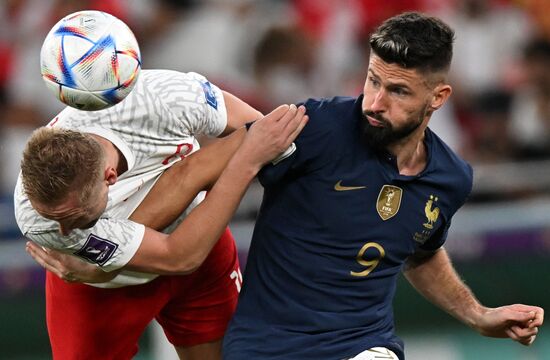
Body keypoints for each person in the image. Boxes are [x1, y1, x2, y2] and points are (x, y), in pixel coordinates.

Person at [221, 12, 544, 360]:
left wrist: (478, 314)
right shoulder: (316, 128)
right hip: (266, 348)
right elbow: (224, 146)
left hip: (363, 347)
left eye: (398, 91)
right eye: (373, 81)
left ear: (438, 97)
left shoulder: (451, 178)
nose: (375, 103)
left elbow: (420, 251)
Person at [15, 68, 308, 360]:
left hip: (197, 240)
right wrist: (248, 159)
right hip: (102, 290)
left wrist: (264, 146)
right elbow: (177, 255)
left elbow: (264, 133)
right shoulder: (37, 216)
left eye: (78, 219)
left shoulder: (165, 96)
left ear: (110, 178)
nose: (66, 232)